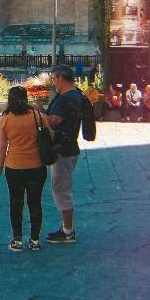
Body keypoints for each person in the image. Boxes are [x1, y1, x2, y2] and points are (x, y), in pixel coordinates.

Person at [0, 84, 51, 251]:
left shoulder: (5, 119)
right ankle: (34, 240)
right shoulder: (38, 116)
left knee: (15, 203)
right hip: (36, 166)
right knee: (35, 202)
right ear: (26, 98)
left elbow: (3, 145)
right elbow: (50, 136)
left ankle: (17, 240)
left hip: (14, 167)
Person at [45, 65, 83, 243]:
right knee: (62, 188)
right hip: (70, 147)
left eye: (53, 79)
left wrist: (39, 114)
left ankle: (68, 231)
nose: (53, 83)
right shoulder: (76, 94)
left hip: (62, 149)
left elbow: (53, 122)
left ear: (60, 77)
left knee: (61, 190)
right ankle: (67, 228)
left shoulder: (65, 99)